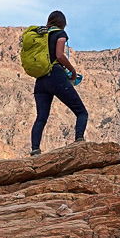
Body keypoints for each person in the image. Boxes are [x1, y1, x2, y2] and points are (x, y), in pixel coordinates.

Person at [24, 9, 88, 154]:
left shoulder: (40, 35)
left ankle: (35, 150)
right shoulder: (60, 34)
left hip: (40, 80)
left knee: (41, 117)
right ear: (63, 24)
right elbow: (59, 55)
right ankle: (79, 141)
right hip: (56, 76)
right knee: (81, 112)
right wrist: (72, 71)